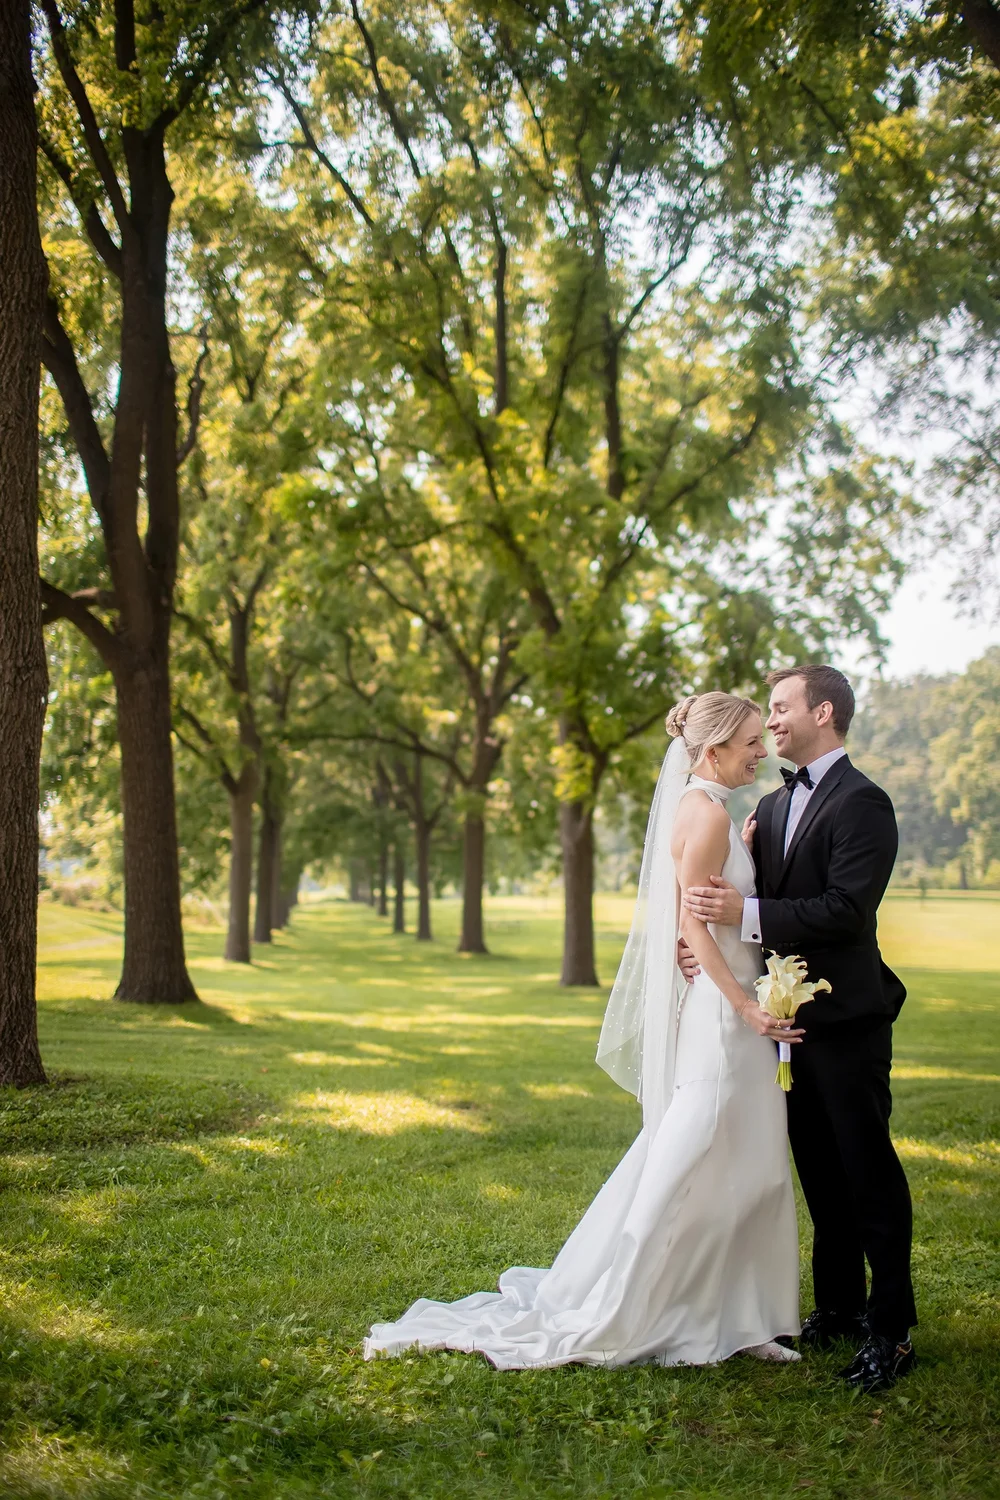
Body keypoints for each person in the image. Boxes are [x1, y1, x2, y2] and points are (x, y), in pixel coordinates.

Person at [364, 692, 804, 1370]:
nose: (761, 751)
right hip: (724, 1020)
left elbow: (699, 916)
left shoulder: (708, 811)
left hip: (727, 1008)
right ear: (714, 750)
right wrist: (746, 1008)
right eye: (750, 741)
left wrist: (743, 861)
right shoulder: (707, 815)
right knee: (699, 1154)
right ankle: (650, 1304)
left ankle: (735, 1316)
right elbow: (692, 929)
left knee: (745, 1163)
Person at [681, 665, 916, 1394]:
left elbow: (845, 910)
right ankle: (839, 1308)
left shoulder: (864, 802)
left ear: (823, 711)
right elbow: (741, 901)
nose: (772, 721)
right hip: (779, 1025)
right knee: (818, 1171)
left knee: (867, 1172)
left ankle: (892, 1330)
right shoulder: (771, 805)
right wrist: (703, 947)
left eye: (781, 708)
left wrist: (741, 915)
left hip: (847, 1021)